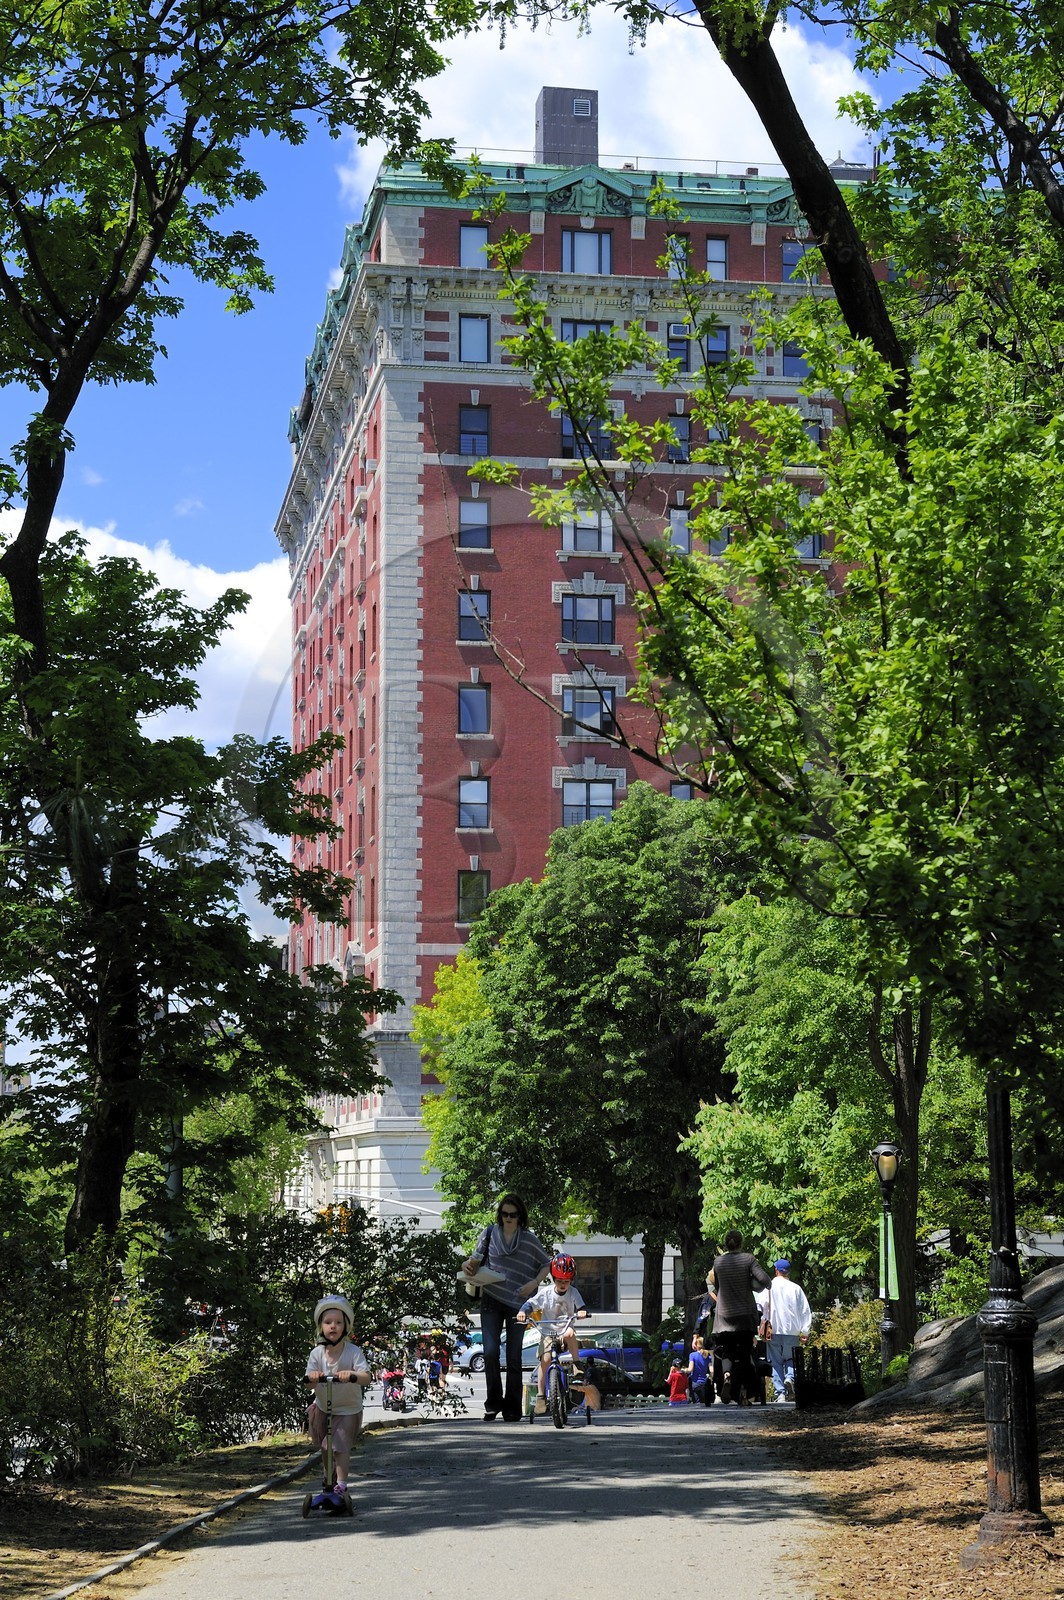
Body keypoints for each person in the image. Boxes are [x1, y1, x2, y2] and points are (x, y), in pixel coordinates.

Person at [461, 1193, 551, 1421]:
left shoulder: (529, 1240)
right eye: (504, 1214)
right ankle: (492, 1404)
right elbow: (473, 1260)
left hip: (518, 1305)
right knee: (490, 1352)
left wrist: (534, 1282)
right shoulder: (489, 1233)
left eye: (513, 1214)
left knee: (513, 1356)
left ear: (520, 1216)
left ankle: (512, 1407)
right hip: (491, 1299)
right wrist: (467, 1265)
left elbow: (546, 1264)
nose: (508, 1218)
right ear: (500, 1215)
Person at [305, 1294, 371, 1498]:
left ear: (345, 1327)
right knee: (324, 1447)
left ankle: (341, 1484)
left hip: (348, 1408)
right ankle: (328, 1477)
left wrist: (352, 1375)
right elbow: (308, 1382)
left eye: (338, 1322)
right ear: (321, 1327)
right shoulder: (317, 1353)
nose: (333, 1326)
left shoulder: (353, 1352)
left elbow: (366, 1377)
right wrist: (313, 1377)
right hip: (324, 1407)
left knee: (338, 1446)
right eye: (328, 1322)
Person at [517, 1253, 588, 1415]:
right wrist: (523, 1311)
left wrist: (582, 1311)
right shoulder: (546, 1293)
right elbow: (531, 1304)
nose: (563, 1285)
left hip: (564, 1330)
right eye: (559, 1281)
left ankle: (577, 1364)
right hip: (547, 1332)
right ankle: (541, 1396)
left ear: (571, 1280)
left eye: (566, 1281)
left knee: (570, 1332)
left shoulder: (573, 1293)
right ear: (553, 1279)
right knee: (546, 1360)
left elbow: (581, 1306)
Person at [708, 1230, 771, 1405]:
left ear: (726, 1244)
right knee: (745, 1351)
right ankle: (745, 1393)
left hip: (724, 1316)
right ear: (741, 1243)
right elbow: (765, 1280)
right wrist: (752, 1282)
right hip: (745, 1315)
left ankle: (727, 1375)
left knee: (727, 1349)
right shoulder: (748, 1259)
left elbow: (719, 1287)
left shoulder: (718, 1262)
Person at [765, 1258, 812, 1402]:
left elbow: (762, 1307)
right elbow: (804, 1310)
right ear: (788, 1272)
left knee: (776, 1361)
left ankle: (780, 1393)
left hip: (773, 1329)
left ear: (776, 1270)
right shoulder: (796, 1288)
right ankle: (790, 1378)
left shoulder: (769, 1287)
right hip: (792, 1330)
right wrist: (805, 1331)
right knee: (791, 1358)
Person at [686, 1333, 710, 1406]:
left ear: (696, 1345)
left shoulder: (692, 1355)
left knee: (697, 1404)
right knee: (706, 1402)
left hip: (695, 1382)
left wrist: (683, 1370)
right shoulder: (707, 1355)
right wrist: (711, 1377)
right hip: (705, 1382)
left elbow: (690, 1369)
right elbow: (711, 1370)